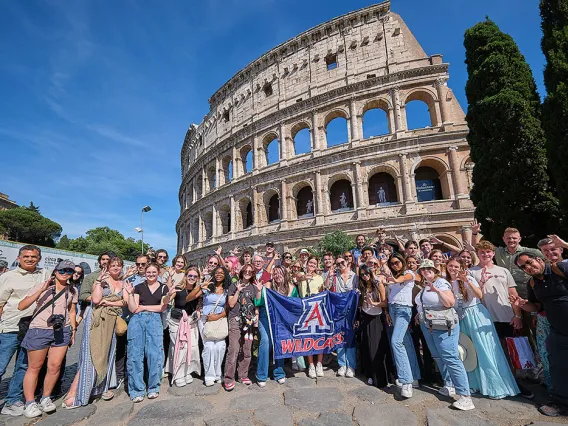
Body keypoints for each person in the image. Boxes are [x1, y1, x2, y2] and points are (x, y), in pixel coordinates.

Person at [446, 257, 519, 399]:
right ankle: (475, 384)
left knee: (484, 349)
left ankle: (495, 385)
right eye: (450, 266)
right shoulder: (447, 282)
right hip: (461, 318)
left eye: (456, 266)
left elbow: (479, 295)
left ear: (461, 267)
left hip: (475, 314)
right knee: (469, 352)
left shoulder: (468, 277)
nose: (453, 269)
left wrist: (466, 281)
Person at [470, 241, 532, 398]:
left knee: (510, 352)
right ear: (477, 254)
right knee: (492, 353)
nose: (485, 254)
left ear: (492, 253)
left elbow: (513, 295)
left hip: (506, 316)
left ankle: (514, 382)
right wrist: (481, 280)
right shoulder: (471, 272)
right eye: (482, 252)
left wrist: (517, 315)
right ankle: (497, 383)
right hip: (484, 319)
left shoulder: (503, 271)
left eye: (488, 252)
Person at [63, 256, 126, 408]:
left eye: (118, 265)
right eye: (113, 265)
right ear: (107, 267)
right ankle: (76, 392)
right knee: (91, 355)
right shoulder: (101, 280)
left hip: (111, 320)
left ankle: (99, 387)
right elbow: (96, 300)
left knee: (106, 354)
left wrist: (109, 302)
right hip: (97, 320)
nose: (116, 268)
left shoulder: (124, 282)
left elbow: (124, 302)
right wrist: (99, 282)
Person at [18, 260, 78, 418]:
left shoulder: (72, 290)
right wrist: (42, 290)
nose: (65, 273)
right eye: (62, 270)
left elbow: (72, 311)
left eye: (69, 271)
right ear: (55, 271)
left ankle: (46, 398)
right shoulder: (44, 286)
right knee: (34, 367)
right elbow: (22, 306)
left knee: (55, 367)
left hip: (62, 330)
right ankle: (30, 402)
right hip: (40, 330)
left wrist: (73, 330)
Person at [512, 252, 568, 417]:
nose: (528, 267)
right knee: (558, 369)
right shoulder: (532, 283)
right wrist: (523, 305)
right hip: (558, 332)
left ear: (538, 259)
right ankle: (561, 404)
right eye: (524, 267)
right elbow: (537, 307)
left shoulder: (559, 268)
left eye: (529, 262)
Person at [415, 259, 474, 411]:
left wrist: (437, 291)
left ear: (435, 270)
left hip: (443, 324)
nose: (426, 271)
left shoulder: (441, 283)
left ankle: (465, 396)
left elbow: (449, 302)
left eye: (429, 268)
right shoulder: (424, 285)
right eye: (423, 269)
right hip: (428, 324)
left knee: (450, 357)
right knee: (437, 355)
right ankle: (449, 384)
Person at [0, 245, 51, 417]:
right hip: (10, 327)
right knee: (1, 366)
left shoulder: (44, 274)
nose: (30, 259)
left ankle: (13, 401)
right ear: (19, 257)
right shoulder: (7, 277)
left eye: (34, 257)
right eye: (26, 256)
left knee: (22, 366)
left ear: (39, 258)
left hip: (32, 329)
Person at [123, 263, 170, 402]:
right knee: (135, 355)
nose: (150, 274)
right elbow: (133, 309)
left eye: (153, 272)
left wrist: (144, 307)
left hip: (155, 321)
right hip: (137, 321)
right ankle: (137, 389)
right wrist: (131, 294)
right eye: (148, 272)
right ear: (145, 273)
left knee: (155, 354)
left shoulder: (163, 287)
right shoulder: (138, 287)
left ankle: (153, 387)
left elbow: (162, 307)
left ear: (158, 272)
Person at [384, 253, 421, 396]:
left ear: (402, 261)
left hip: (403, 310)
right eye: (392, 263)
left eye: (397, 262)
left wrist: (393, 279)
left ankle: (406, 381)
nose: (395, 265)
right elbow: (390, 294)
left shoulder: (408, 273)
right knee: (406, 342)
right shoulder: (393, 277)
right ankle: (415, 377)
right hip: (393, 310)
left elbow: (404, 278)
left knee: (396, 342)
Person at [254, 265, 296, 387]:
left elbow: (294, 305)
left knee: (279, 341)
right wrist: (258, 291)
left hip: (281, 321)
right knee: (266, 341)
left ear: (285, 274)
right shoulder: (268, 285)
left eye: (280, 273)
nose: (277, 275)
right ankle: (261, 374)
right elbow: (259, 301)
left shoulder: (292, 288)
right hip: (265, 318)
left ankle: (279, 372)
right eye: (275, 273)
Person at [188, 266, 229, 386]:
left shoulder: (227, 289)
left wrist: (217, 316)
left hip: (219, 320)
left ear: (225, 275)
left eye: (221, 273)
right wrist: (200, 286)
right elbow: (189, 298)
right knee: (209, 347)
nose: (219, 275)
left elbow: (229, 307)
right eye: (216, 273)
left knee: (220, 347)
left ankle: (218, 373)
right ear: (213, 274)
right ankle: (209, 375)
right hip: (205, 320)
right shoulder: (208, 287)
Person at [164, 264, 200, 388]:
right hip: (176, 320)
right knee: (180, 347)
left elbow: (198, 303)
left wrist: (198, 311)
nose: (192, 278)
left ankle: (187, 371)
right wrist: (168, 295)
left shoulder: (198, 289)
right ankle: (178, 374)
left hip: (191, 320)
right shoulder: (178, 287)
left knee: (192, 347)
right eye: (190, 275)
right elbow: (167, 301)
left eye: (195, 276)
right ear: (185, 276)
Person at [224, 264, 257, 390]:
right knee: (234, 349)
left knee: (247, 349)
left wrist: (256, 317)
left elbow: (256, 304)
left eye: (250, 271)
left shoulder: (254, 287)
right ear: (242, 272)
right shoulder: (234, 285)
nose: (247, 273)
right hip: (236, 319)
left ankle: (243, 375)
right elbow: (231, 304)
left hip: (249, 321)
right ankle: (228, 378)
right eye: (246, 271)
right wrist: (238, 290)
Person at [357, 264, 389, 388]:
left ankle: (380, 378)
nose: (365, 276)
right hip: (365, 317)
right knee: (367, 346)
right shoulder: (362, 287)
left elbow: (385, 302)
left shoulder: (378, 284)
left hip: (376, 318)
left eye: (367, 273)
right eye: (362, 274)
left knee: (376, 348)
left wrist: (374, 303)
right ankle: (369, 374)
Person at [296, 256, 325, 378]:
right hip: (306, 310)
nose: (312, 264)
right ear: (307, 264)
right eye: (310, 262)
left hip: (317, 310)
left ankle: (319, 363)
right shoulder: (301, 274)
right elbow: (297, 277)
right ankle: (311, 365)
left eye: (315, 263)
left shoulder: (319, 278)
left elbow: (322, 292)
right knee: (308, 337)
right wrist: (304, 277)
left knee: (319, 337)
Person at [329, 255, 358, 377]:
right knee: (339, 335)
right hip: (339, 310)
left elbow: (358, 290)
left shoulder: (355, 276)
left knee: (350, 336)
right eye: (338, 264)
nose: (340, 265)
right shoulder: (335, 277)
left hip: (351, 309)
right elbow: (327, 289)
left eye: (342, 263)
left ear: (347, 263)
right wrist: (330, 277)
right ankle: (342, 364)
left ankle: (351, 365)